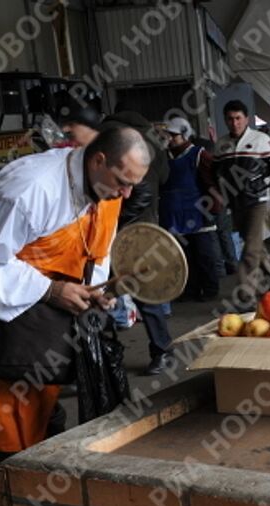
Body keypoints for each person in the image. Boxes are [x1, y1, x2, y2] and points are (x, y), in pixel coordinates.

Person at [0, 127, 150, 461]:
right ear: (98, 161)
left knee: (43, 381)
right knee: (7, 400)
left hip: (42, 293)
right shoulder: (30, 191)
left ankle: (46, 440)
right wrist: (51, 290)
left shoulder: (107, 191)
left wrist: (92, 289)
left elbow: (97, 248)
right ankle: (15, 470)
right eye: (123, 182)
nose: (126, 194)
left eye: (133, 185)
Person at [100, 109, 176, 376]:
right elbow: (164, 178)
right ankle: (155, 352)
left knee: (124, 292)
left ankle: (160, 351)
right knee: (118, 294)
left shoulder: (119, 140)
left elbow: (140, 191)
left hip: (131, 230)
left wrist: (114, 223)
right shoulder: (153, 137)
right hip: (143, 225)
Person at [213, 100, 270, 301]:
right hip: (235, 202)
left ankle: (244, 294)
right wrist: (222, 190)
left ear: (246, 119)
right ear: (225, 120)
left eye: (238, 118)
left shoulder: (262, 140)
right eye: (230, 119)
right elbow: (216, 170)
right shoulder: (221, 144)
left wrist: (262, 184)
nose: (234, 123)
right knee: (255, 245)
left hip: (258, 201)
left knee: (251, 247)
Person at [162, 117, 221, 302]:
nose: (170, 139)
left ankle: (210, 289)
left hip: (198, 212)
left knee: (204, 254)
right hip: (174, 215)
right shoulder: (164, 157)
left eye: (174, 136)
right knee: (184, 258)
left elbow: (212, 182)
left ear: (185, 134)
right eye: (168, 135)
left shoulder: (199, 154)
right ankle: (190, 289)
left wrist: (214, 206)